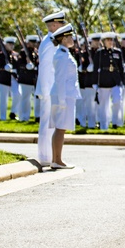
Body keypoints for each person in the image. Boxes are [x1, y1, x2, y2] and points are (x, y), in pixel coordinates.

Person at [35, 11, 67, 166]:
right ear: (54, 25)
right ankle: (45, 157)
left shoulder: (51, 41)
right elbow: (47, 69)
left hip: (50, 89)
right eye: (61, 24)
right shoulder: (49, 43)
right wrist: (48, 91)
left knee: (50, 123)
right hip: (48, 89)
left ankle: (49, 157)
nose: (62, 26)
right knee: (46, 123)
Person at [49, 23, 79, 169]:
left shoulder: (64, 53)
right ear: (64, 38)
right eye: (70, 36)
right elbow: (60, 79)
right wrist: (61, 101)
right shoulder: (61, 56)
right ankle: (57, 160)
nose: (72, 38)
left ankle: (56, 159)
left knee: (60, 128)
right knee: (60, 128)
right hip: (63, 96)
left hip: (65, 95)